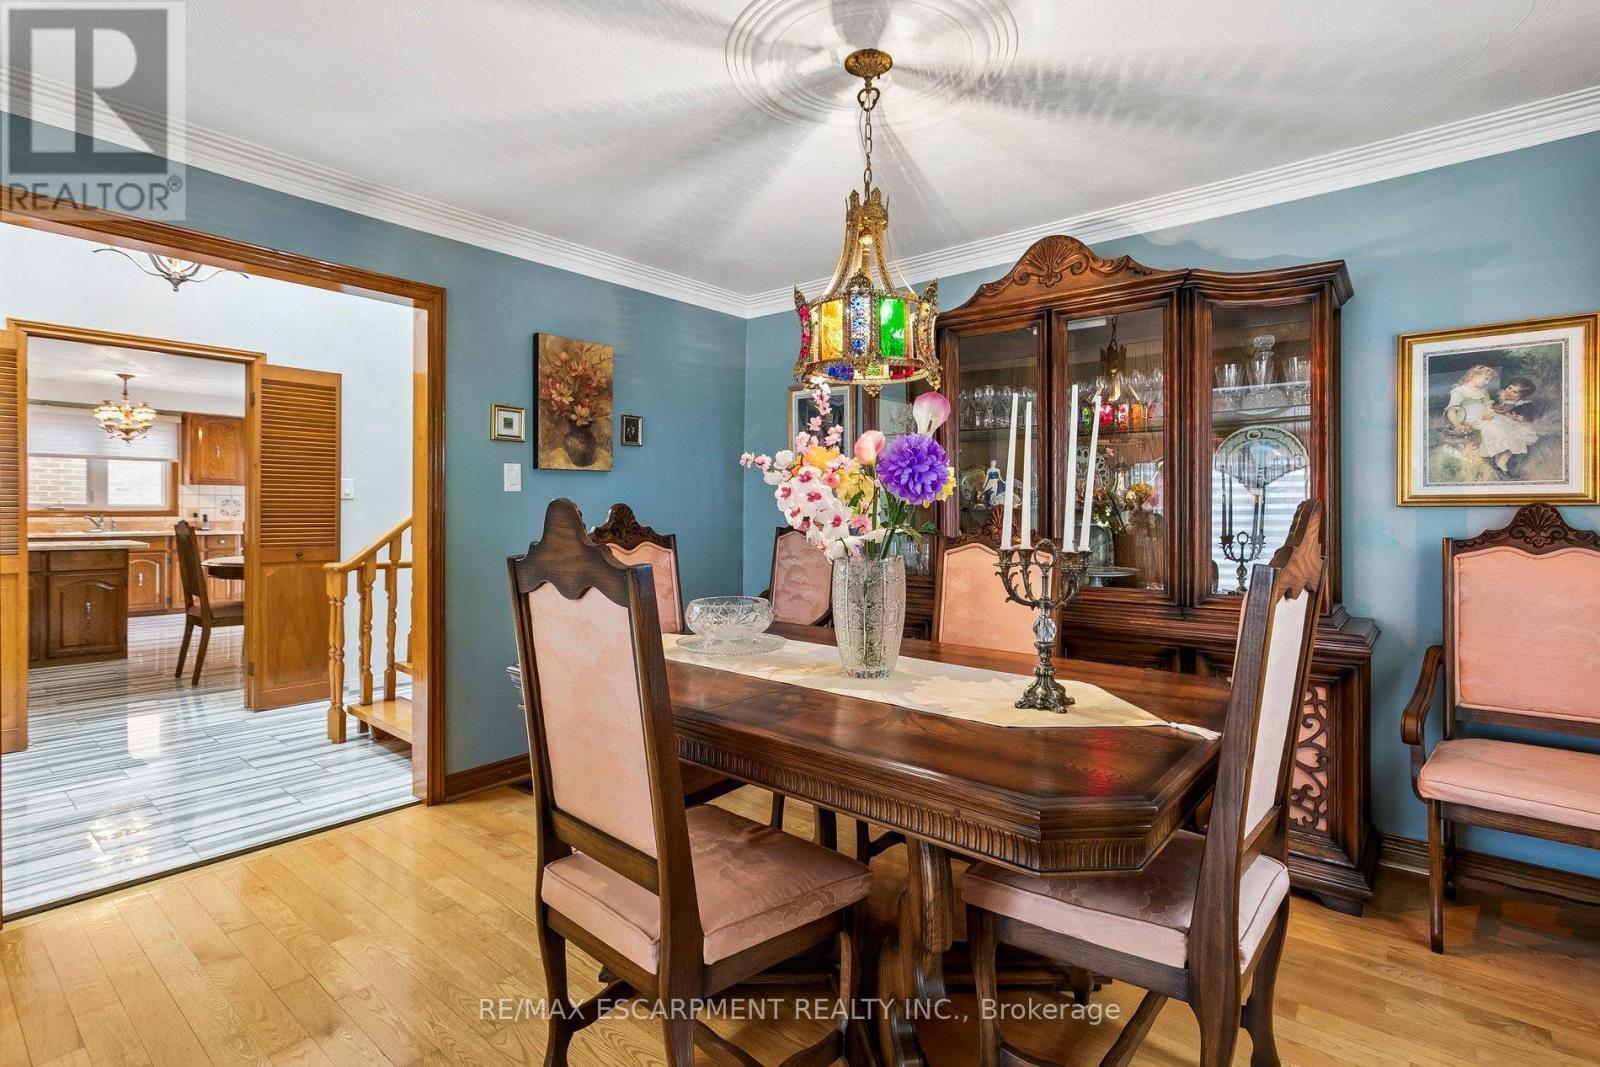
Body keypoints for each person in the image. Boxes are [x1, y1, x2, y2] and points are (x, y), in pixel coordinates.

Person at [1478, 377, 1539, 474]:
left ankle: (1502, 462)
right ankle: (1498, 460)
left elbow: (1528, 418)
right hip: (1497, 421)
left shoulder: (1523, 404)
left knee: (1513, 438)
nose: (1509, 392)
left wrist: (1516, 418)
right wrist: (1491, 410)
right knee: (1498, 434)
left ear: (1521, 397)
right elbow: (1489, 405)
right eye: (1509, 388)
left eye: (1515, 392)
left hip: (1513, 425)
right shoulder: (1500, 396)